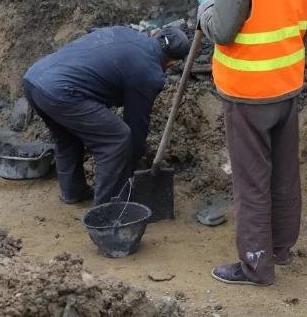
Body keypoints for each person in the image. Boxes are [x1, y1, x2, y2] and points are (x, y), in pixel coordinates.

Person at [198, 0, 307, 286]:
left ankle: (254, 264)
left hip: (247, 93)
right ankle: (280, 248)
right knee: (283, 173)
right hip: (287, 84)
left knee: (251, 181)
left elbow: (223, 31)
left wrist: (205, 7)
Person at [22, 25, 190, 205]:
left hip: (34, 79)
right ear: (171, 63)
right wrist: (132, 161)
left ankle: (73, 191)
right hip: (62, 91)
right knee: (116, 139)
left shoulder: (125, 31)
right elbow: (136, 124)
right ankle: (108, 211)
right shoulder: (149, 73)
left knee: (67, 137)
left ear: (156, 34)